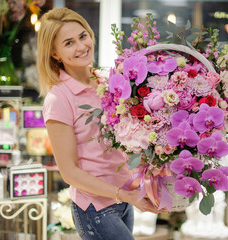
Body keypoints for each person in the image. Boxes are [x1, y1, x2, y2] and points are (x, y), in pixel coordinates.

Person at [37, 8, 161, 240]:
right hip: (94, 207)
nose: (81, 46)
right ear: (55, 53)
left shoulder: (107, 81)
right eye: (69, 43)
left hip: (123, 197)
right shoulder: (59, 99)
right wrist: (123, 195)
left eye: (83, 36)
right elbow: (69, 172)